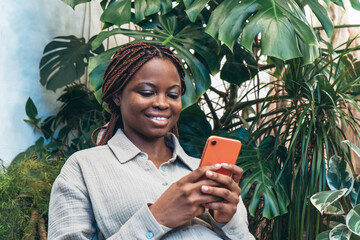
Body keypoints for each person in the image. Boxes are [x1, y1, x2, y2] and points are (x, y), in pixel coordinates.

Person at [48, 42, 254, 240]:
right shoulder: (84, 168)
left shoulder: (203, 172)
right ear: (118, 96)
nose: (162, 103)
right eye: (147, 92)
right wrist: (157, 217)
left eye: (173, 94)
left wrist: (227, 220)